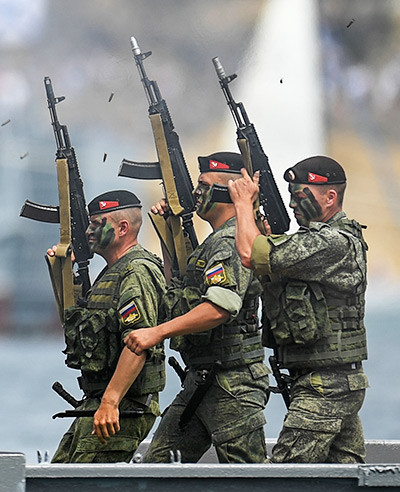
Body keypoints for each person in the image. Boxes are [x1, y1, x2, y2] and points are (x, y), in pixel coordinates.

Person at [125, 152, 269, 463]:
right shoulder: (213, 242)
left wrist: (157, 333)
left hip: (232, 384)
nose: (196, 193)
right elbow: (179, 288)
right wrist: (168, 233)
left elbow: (221, 307)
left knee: (252, 483)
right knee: (157, 469)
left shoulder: (231, 240)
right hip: (203, 379)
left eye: (203, 185)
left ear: (227, 192)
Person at [230, 156, 369, 463]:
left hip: (326, 386)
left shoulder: (331, 242)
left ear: (330, 197)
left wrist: (242, 204)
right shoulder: (315, 243)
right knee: (343, 478)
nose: (293, 204)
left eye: (300, 195)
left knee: (282, 481)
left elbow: (248, 255)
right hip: (330, 380)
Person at [50, 190, 166, 463]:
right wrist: (60, 271)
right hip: (100, 401)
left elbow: (138, 343)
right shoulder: (110, 273)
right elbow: (78, 327)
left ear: (123, 228)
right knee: (59, 474)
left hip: (124, 405)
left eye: (96, 223)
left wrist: (110, 402)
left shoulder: (135, 271)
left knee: (79, 490)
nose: (89, 230)